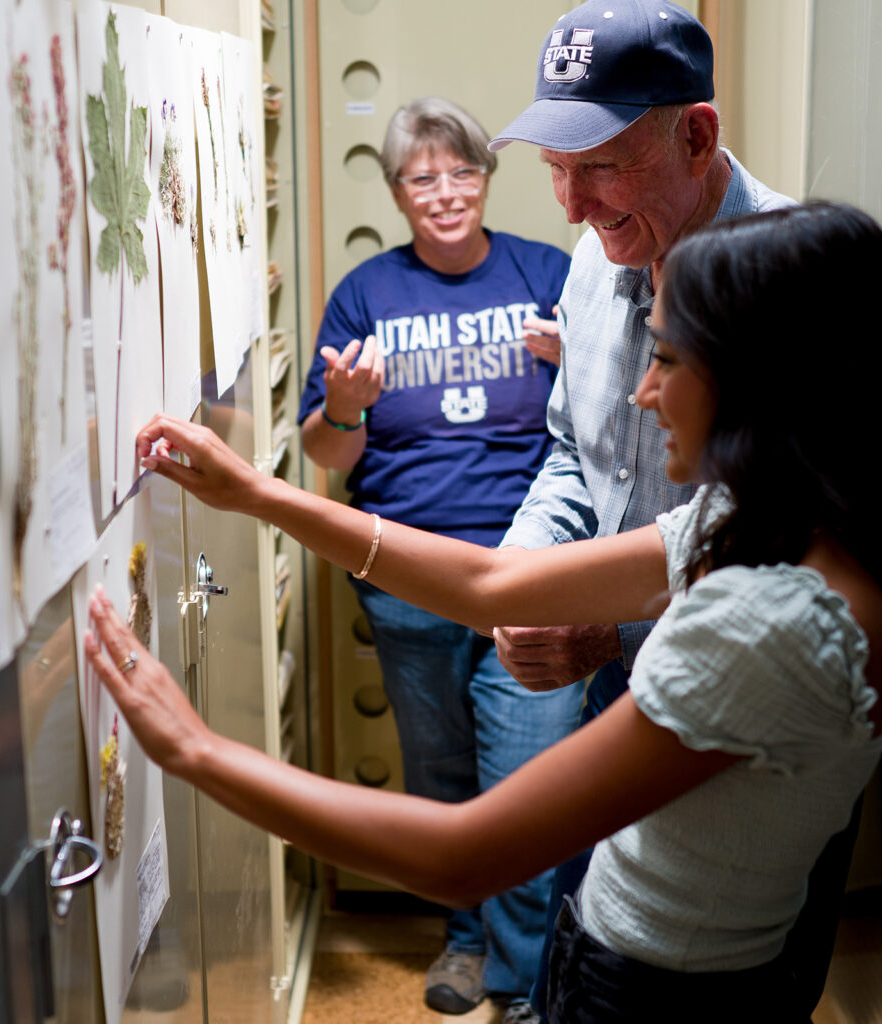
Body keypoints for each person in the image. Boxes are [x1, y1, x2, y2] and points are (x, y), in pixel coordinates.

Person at [92, 203, 882, 1023]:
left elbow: (464, 854)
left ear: (762, 382)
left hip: (657, 997)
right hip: (649, 965)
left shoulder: (769, 626)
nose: (642, 394)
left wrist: (195, 752)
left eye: (667, 359)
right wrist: (257, 494)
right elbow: (489, 586)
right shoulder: (774, 521)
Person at [481, 3, 818, 1017]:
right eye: (554, 165)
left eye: (601, 164)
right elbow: (571, 454)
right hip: (614, 681)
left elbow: (799, 553)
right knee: (589, 957)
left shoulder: (794, 276)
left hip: (741, 725)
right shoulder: (600, 258)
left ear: (698, 134)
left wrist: (610, 624)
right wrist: (531, 573)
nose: (573, 204)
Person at [297, 96, 581, 1015]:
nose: (447, 193)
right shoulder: (366, 293)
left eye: (463, 172)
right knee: (444, 780)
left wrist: (575, 358)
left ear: (488, 180)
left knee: (529, 785)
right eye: (424, 178)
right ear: (396, 192)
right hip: (408, 577)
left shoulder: (550, 274)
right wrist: (345, 406)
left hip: (531, 574)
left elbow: (617, 415)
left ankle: (526, 978)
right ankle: (465, 942)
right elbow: (327, 453)